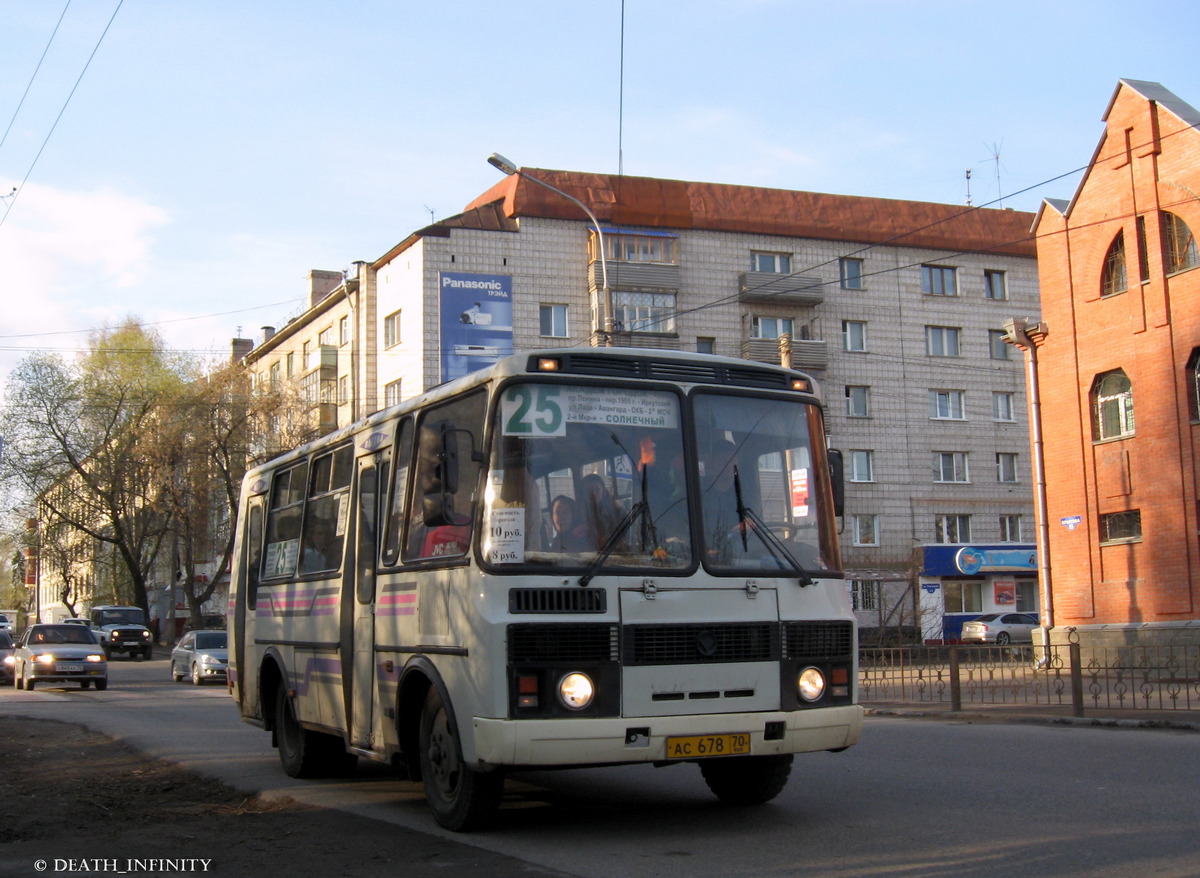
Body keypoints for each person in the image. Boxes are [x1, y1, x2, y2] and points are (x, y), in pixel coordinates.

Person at [577, 473, 621, 550]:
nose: (593, 493)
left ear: (603, 491)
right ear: (583, 493)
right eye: (588, 490)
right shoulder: (576, 513)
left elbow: (624, 536)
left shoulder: (615, 511)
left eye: (597, 489)